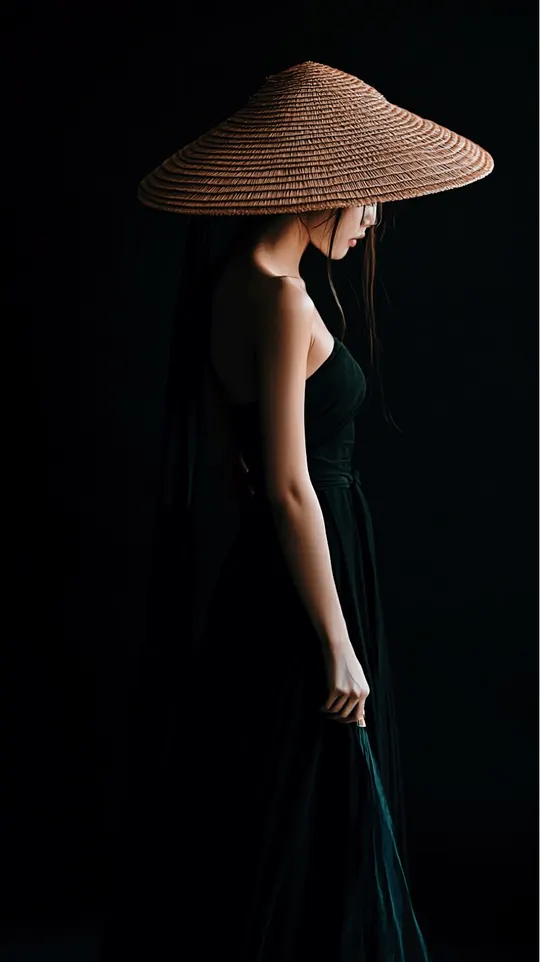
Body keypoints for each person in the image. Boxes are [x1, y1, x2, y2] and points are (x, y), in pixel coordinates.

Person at [132, 62, 494, 961]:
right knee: (309, 808)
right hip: (308, 572)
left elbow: (245, 470)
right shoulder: (284, 299)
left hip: (274, 566)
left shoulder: (233, 282)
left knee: (267, 791)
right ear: (324, 188)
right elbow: (289, 484)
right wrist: (336, 640)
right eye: (370, 200)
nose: (372, 221)